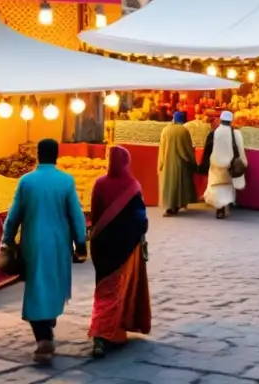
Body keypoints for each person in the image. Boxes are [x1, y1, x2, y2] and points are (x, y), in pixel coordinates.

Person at [2, 139, 88, 364]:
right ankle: (46, 329)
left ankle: (43, 335)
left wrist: (7, 240)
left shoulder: (26, 181)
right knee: (53, 283)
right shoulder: (66, 181)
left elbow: (13, 216)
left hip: (33, 243)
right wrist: (81, 243)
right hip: (59, 244)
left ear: (38, 155)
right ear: (57, 155)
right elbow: (76, 216)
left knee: (37, 286)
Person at [88, 147, 150, 359]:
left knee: (103, 287)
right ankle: (102, 333)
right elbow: (140, 217)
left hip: (101, 246)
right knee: (116, 290)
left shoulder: (99, 183)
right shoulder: (133, 186)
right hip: (125, 245)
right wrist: (142, 232)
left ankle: (107, 330)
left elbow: (95, 214)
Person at [203, 111, 247, 219]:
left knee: (217, 188)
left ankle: (220, 210)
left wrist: (204, 165)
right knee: (227, 188)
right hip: (229, 166)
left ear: (221, 120)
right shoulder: (236, 133)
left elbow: (207, 151)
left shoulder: (214, 133)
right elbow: (241, 150)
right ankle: (227, 205)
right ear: (231, 121)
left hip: (216, 168)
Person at [158, 112, 198, 217]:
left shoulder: (165, 130)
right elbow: (188, 148)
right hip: (181, 163)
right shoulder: (184, 131)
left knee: (169, 184)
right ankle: (178, 204)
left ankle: (170, 206)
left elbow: (162, 148)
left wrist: (161, 163)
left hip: (167, 162)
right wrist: (193, 161)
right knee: (180, 185)